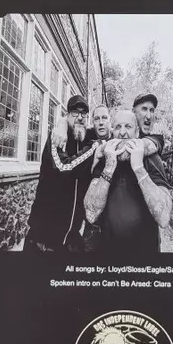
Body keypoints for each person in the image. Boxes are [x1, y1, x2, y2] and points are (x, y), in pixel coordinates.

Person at [84, 110, 172, 254]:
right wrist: (109, 167)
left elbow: (164, 218)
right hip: (110, 255)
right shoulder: (105, 160)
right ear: (112, 132)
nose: (122, 133)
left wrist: (139, 168)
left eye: (128, 126)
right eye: (118, 127)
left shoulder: (151, 159)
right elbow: (91, 214)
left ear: (137, 132)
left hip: (146, 255)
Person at [25, 95, 99, 252]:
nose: (80, 117)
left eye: (84, 113)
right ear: (67, 114)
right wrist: (94, 148)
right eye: (75, 112)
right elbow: (63, 168)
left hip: (70, 239)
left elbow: (107, 130)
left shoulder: (86, 138)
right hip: (44, 239)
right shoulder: (57, 138)